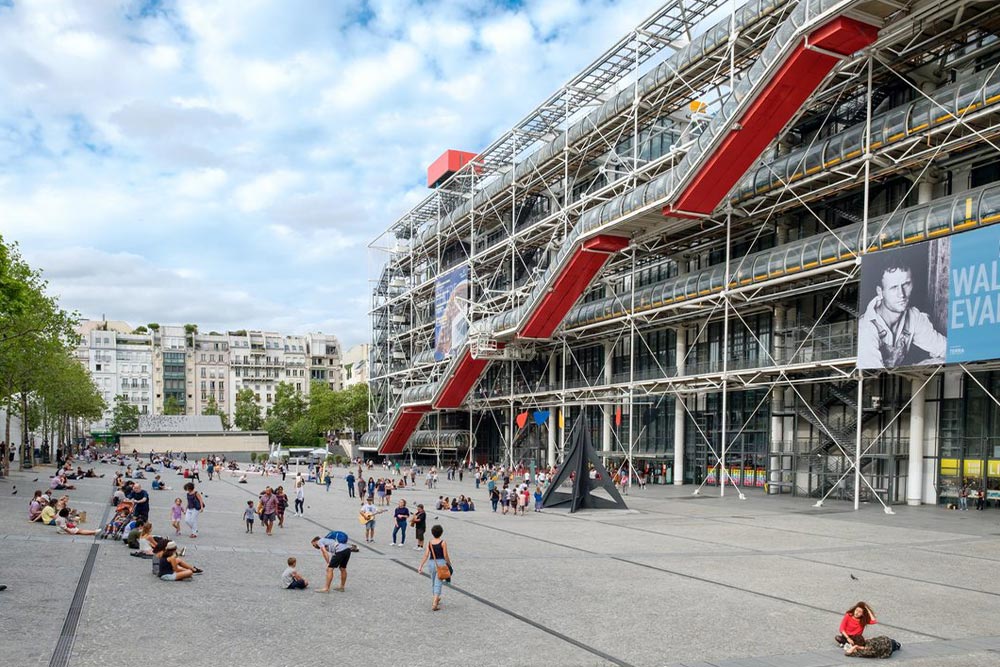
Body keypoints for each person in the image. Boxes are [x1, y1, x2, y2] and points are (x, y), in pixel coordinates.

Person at [858, 262, 946, 369]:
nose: (901, 294)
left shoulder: (914, 316)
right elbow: (874, 374)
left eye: (906, 284)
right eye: (894, 287)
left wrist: (927, 364)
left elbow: (945, 348)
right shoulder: (866, 328)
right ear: (880, 292)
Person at [417, 524, 453, 612]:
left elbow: (426, 555)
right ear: (441, 533)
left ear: (432, 533)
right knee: (438, 582)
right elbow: (445, 555)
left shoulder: (430, 542)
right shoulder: (443, 542)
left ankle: (436, 597)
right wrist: (449, 563)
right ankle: (434, 603)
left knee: (433, 581)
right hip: (441, 563)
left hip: (431, 563)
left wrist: (420, 565)